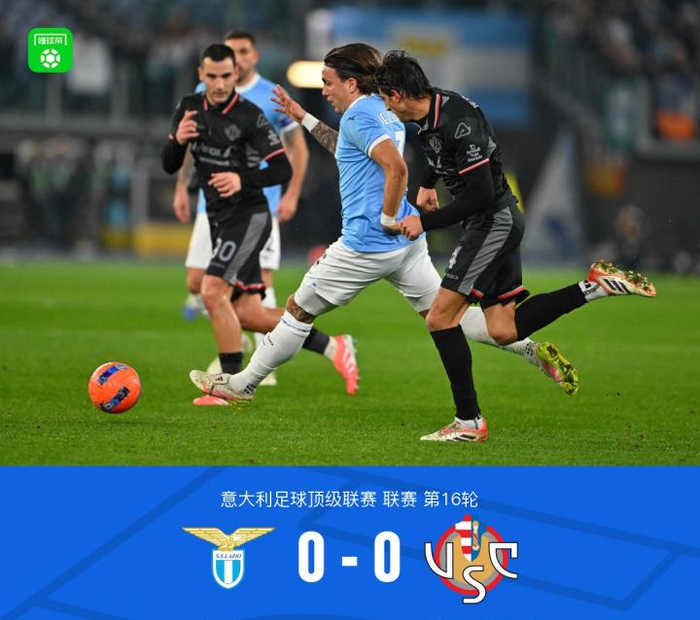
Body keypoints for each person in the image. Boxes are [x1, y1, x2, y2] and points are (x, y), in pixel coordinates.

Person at [189, 44, 579, 413]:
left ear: (351, 83)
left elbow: (396, 167)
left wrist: (388, 217)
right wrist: (303, 117)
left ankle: (243, 385)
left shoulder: (359, 115)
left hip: (366, 245)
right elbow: (349, 148)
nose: (324, 91)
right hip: (406, 248)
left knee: (297, 310)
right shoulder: (383, 108)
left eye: (327, 82)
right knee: (447, 315)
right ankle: (527, 348)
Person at [372, 50, 656, 442]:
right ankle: (595, 286)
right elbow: (439, 154)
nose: (386, 106)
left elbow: (481, 195)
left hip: (493, 222)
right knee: (503, 330)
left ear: (399, 94)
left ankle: (469, 422)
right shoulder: (431, 113)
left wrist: (425, 222)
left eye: (386, 98)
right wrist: (425, 184)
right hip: (494, 222)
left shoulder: (458, 121)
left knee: (439, 318)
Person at [173, 31, 357, 395]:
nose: (236, 59)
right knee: (202, 286)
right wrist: (183, 186)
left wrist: (291, 194)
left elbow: (296, 148)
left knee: (247, 291)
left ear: (254, 56)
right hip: (212, 208)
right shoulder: (204, 92)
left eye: (243, 52)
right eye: (231, 53)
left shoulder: (270, 94)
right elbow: (193, 145)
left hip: (256, 209)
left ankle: (259, 366)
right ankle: (325, 345)